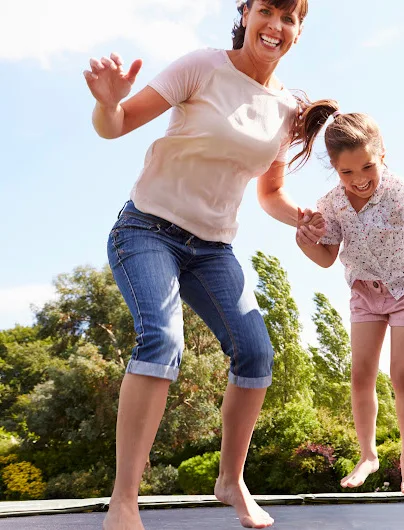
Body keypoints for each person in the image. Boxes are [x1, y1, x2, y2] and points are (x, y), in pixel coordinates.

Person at [83, 1, 327, 528]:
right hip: (148, 229)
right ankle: (125, 498)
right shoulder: (202, 65)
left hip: (213, 249)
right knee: (161, 339)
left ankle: (230, 479)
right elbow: (116, 124)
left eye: (289, 18)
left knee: (256, 353)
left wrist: (301, 218)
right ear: (247, 13)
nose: (276, 26)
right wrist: (108, 103)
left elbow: (272, 193)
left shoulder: (286, 110)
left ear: (298, 32)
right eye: (267, 10)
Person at [293, 104, 404, 494]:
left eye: (367, 167)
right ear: (335, 170)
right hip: (364, 291)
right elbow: (326, 257)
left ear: (381, 154)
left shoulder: (400, 190)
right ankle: (368, 455)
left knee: (402, 373)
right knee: (360, 375)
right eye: (347, 172)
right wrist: (305, 243)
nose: (359, 179)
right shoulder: (331, 202)